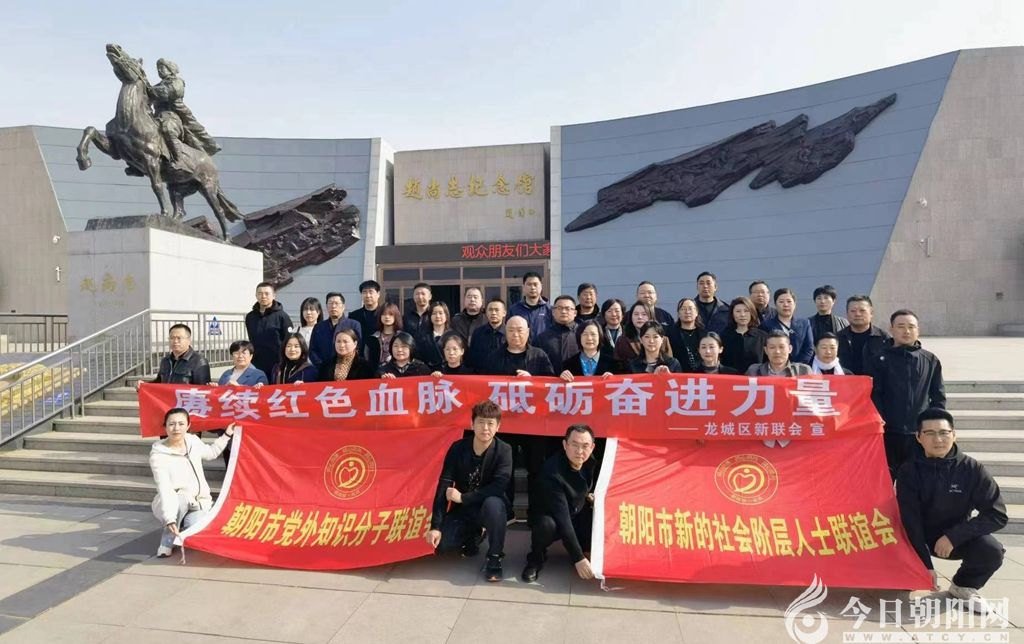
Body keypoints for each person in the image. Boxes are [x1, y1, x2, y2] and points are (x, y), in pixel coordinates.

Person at [896, 408, 1007, 614]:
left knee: (991, 550)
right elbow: (910, 521)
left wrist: (954, 536)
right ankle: (909, 572)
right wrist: (924, 565)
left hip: (955, 539)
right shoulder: (909, 471)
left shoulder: (972, 469)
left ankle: (963, 586)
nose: (938, 439)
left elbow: (997, 514)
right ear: (919, 437)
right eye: (929, 433)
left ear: (954, 434)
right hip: (915, 538)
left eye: (944, 433)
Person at [426, 400, 513, 582]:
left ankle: (494, 557)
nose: (485, 428)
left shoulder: (504, 451)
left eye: (490, 423)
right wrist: (435, 527)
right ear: (472, 424)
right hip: (465, 509)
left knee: (493, 504)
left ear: (498, 427)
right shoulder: (458, 448)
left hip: (489, 506)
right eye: (480, 422)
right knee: (442, 544)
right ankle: (474, 535)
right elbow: (444, 485)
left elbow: (498, 487)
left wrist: (463, 498)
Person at [867, 309, 946, 478]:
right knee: (884, 479)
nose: (906, 331)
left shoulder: (930, 360)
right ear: (891, 329)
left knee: (918, 480)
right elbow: (875, 395)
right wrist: (879, 422)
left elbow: (938, 396)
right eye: (901, 326)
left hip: (918, 434)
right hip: (887, 433)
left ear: (918, 330)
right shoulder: (879, 359)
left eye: (911, 327)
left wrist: (932, 426)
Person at [150, 408, 236, 557]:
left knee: (199, 529)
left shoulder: (193, 441)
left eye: (181, 424)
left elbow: (211, 453)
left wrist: (227, 434)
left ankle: (182, 527)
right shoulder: (158, 455)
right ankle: (166, 542)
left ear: (188, 426)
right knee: (180, 500)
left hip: (198, 502)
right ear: (165, 427)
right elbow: (165, 488)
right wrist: (169, 518)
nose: (176, 428)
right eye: (172, 424)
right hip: (172, 502)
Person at [521, 424, 598, 583]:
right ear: (565, 445)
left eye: (585, 446)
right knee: (546, 525)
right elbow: (563, 519)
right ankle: (535, 558)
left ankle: (585, 548)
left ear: (592, 447)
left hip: (577, 510)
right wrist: (578, 558)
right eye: (574, 445)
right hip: (552, 515)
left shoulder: (590, 462)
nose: (579, 451)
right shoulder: (552, 472)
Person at [140, 323, 211, 389]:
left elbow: (203, 389)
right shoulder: (165, 360)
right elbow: (160, 382)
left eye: (179, 338)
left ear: (189, 340)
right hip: (167, 398)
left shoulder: (199, 361)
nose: (175, 341)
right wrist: (144, 385)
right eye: (172, 338)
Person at [245, 282, 293, 376]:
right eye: (260, 293)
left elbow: (289, 340)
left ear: (274, 295)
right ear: (256, 295)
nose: (263, 296)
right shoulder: (250, 317)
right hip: (256, 364)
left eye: (267, 293)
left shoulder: (282, 316)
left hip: (277, 364)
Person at [482, 316, 554, 377]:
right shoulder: (494, 357)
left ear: (527, 332)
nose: (515, 335)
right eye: (511, 330)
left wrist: (532, 380)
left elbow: (549, 383)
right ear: (505, 332)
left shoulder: (539, 356)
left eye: (520, 330)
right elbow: (485, 383)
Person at [836, 294, 890, 375]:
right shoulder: (838, 338)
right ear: (847, 314)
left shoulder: (883, 338)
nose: (857, 314)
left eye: (862, 310)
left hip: (875, 382)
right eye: (853, 311)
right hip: (845, 381)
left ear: (871, 313)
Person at [308, 292, 363, 369]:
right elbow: (312, 350)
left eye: (336, 303)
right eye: (330, 303)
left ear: (343, 307)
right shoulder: (319, 327)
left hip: (348, 369)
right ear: (326, 307)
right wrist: (322, 366)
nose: (333, 306)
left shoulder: (353, 325)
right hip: (323, 370)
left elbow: (358, 347)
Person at [760, 288, 814, 365]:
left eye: (789, 301)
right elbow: (764, 349)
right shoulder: (766, 325)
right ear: (775, 304)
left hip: (799, 367)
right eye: (781, 302)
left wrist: (796, 366)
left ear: (794, 304)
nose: (785, 305)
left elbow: (809, 348)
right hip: (774, 367)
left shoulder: (804, 323)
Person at [721, 297, 768, 374]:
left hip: (756, 379)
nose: (742, 315)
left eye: (746, 311)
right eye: (738, 311)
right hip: (730, 379)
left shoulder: (762, 337)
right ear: (732, 314)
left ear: (752, 313)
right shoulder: (724, 336)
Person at [535, 295, 579, 373]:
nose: (563, 311)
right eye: (559, 308)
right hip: (550, 379)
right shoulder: (542, 338)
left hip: (577, 379)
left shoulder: (583, 334)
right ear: (553, 312)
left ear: (575, 313)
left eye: (567, 308)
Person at [746, 331, 813, 376]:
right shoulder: (754, 371)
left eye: (781, 347)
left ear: (790, 349)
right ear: (766, 350)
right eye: (772, 347)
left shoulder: (803, 371)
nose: (777, 351)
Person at [508, 271, 552, 339]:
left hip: (543, 345)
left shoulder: (549, 309)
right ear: (523, 287)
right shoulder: (514, 310)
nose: (532, 288)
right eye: (529, 284)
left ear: (541, 287)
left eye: (535, 284)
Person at [467, 298, 507, 370]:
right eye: (490, 310)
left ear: (504, 313)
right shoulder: (478, 333)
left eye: (497, 310)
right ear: (486, 312)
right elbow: (472, 358)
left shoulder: (510, 333)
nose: (493, 313)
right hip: (481, 375)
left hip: (504, 375)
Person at [613, 301, 653, 371]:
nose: (640, 317)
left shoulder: (662, 340)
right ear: (631, 317)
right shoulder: (622, 341)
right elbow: (616, 367)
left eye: (644, 314)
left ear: (650, 317)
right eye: (636, 314)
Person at [666, 298, 701, 372]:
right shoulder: (670, 334)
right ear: (678, 313)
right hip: (679, 373)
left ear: (696, 312)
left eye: (690, 309)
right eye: (683, 309)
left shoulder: (705, 334)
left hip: (701, 374)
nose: (687, 312)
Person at [364, 302, 402, 367]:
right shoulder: (373, 337)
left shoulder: (401, 337)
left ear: (396, 316)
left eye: (390, 314)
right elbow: (367, 357)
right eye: (384, 314)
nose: (387, 317)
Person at [416, 301, 451, 371]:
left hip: (449, 373)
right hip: (429, 373)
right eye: (434, 313)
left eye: (440, 313)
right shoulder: (422, 337)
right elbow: (418, 359)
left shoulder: (453, 335)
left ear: (446, 316)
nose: (437, 316)